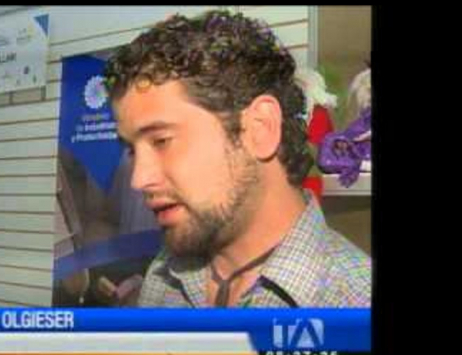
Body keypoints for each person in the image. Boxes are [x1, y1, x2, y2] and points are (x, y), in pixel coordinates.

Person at [102, 10, 371, 307]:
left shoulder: (356, 303)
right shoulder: (163, 276)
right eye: (131, 149)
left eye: (162, 140)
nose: (139, 179)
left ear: (259, 128)